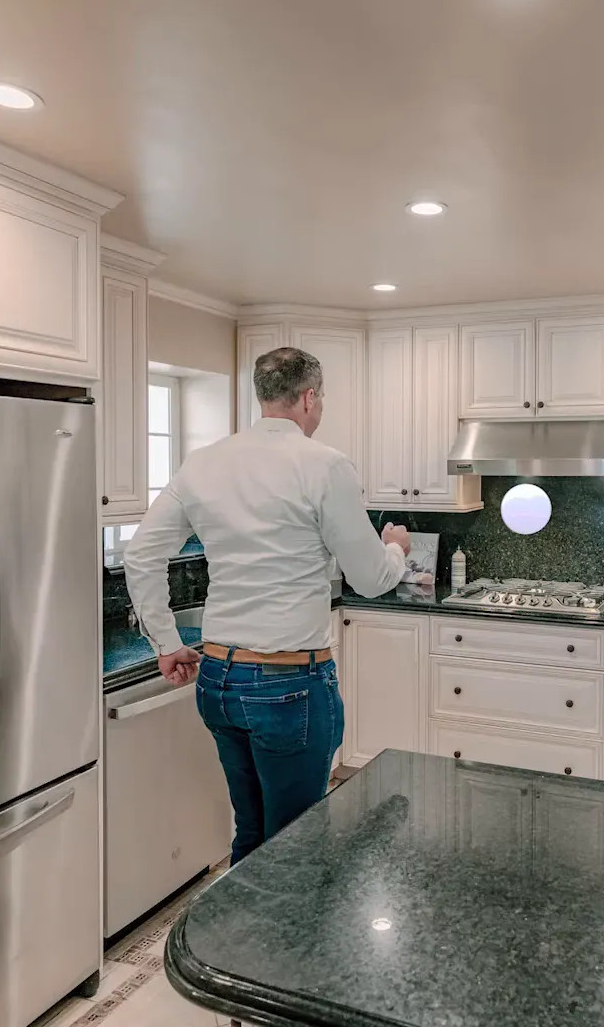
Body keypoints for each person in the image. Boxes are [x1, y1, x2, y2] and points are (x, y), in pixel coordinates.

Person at [123, 347, 411, 865]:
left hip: (218, 683)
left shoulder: (203, 462)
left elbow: (141, 554)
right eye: (320, 398)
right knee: (295, 846)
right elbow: (370, 579)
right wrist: (396, 549)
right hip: (288, 686)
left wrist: (167, 644)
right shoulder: (324, 465)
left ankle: (234, 945)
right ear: (308, 397)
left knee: (251, 833)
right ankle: (291, 946)